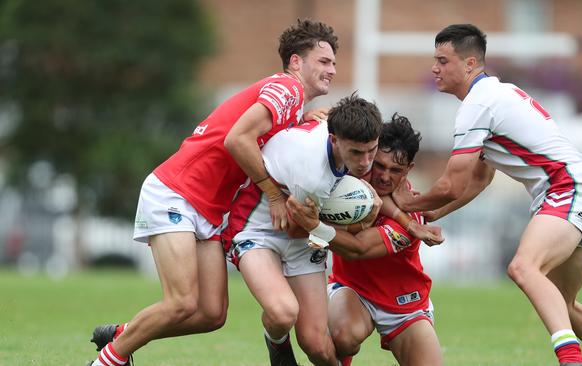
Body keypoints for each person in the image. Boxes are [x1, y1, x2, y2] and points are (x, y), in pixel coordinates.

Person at [86, 19, 338, 366]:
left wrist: (304, 119)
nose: (332, 70)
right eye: (324, 61)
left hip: (207, 209)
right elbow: (238, 139)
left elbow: (266, 136)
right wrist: (275, 195)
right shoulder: (286, 88)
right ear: (296, 62)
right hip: (176, 192)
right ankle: (107, 361)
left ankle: (122, 335)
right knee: (182, 302)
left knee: (211, 313)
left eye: (334, 63)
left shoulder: (290, 104)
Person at [392, 24, 582, 366]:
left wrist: (405, 204)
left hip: (568, 189)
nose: (435, 68)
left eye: (443, 60)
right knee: (563, 305)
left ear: (469, 64)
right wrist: (433, 214)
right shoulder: (496, 93)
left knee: (523, 267)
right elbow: (478, 180)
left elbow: (450, 183)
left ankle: (571, 360)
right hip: (578, 188)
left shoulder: (477, 105)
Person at [220, 94, 384, 366]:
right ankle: (277, 345)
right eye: (356, 153)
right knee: (283, 312)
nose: (366, 161)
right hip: (259, 229)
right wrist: (362, 222)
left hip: (302, 231)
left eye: (372, 150)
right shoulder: (313, 174)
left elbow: (309, 229)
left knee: (317, 345)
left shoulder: (340, 123)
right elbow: (300, 229)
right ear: (334, 140)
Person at [286, 114, 445, 366]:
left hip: (405, 306)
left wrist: (316, 226)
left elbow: (358, 249)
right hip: (352, 291)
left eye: (395, 170)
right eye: (379, 165)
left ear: (408, 171)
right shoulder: (348, 180)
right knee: (343, 334)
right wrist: (310, 115)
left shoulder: (412, 214)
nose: (383, 176)